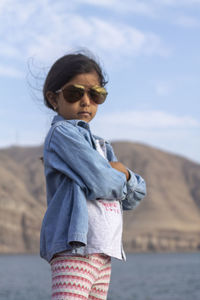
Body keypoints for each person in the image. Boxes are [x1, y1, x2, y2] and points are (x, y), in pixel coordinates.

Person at [40, 51, 146, 300]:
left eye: (95, 94)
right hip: (76, 248)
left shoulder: (101, 145)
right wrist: (122, 178)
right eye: (75, 93)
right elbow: (101, 182)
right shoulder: (62, 134)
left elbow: (134, 197)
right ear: (53, 98)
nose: (86, 101)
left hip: (102, 249)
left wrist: (127, 177)